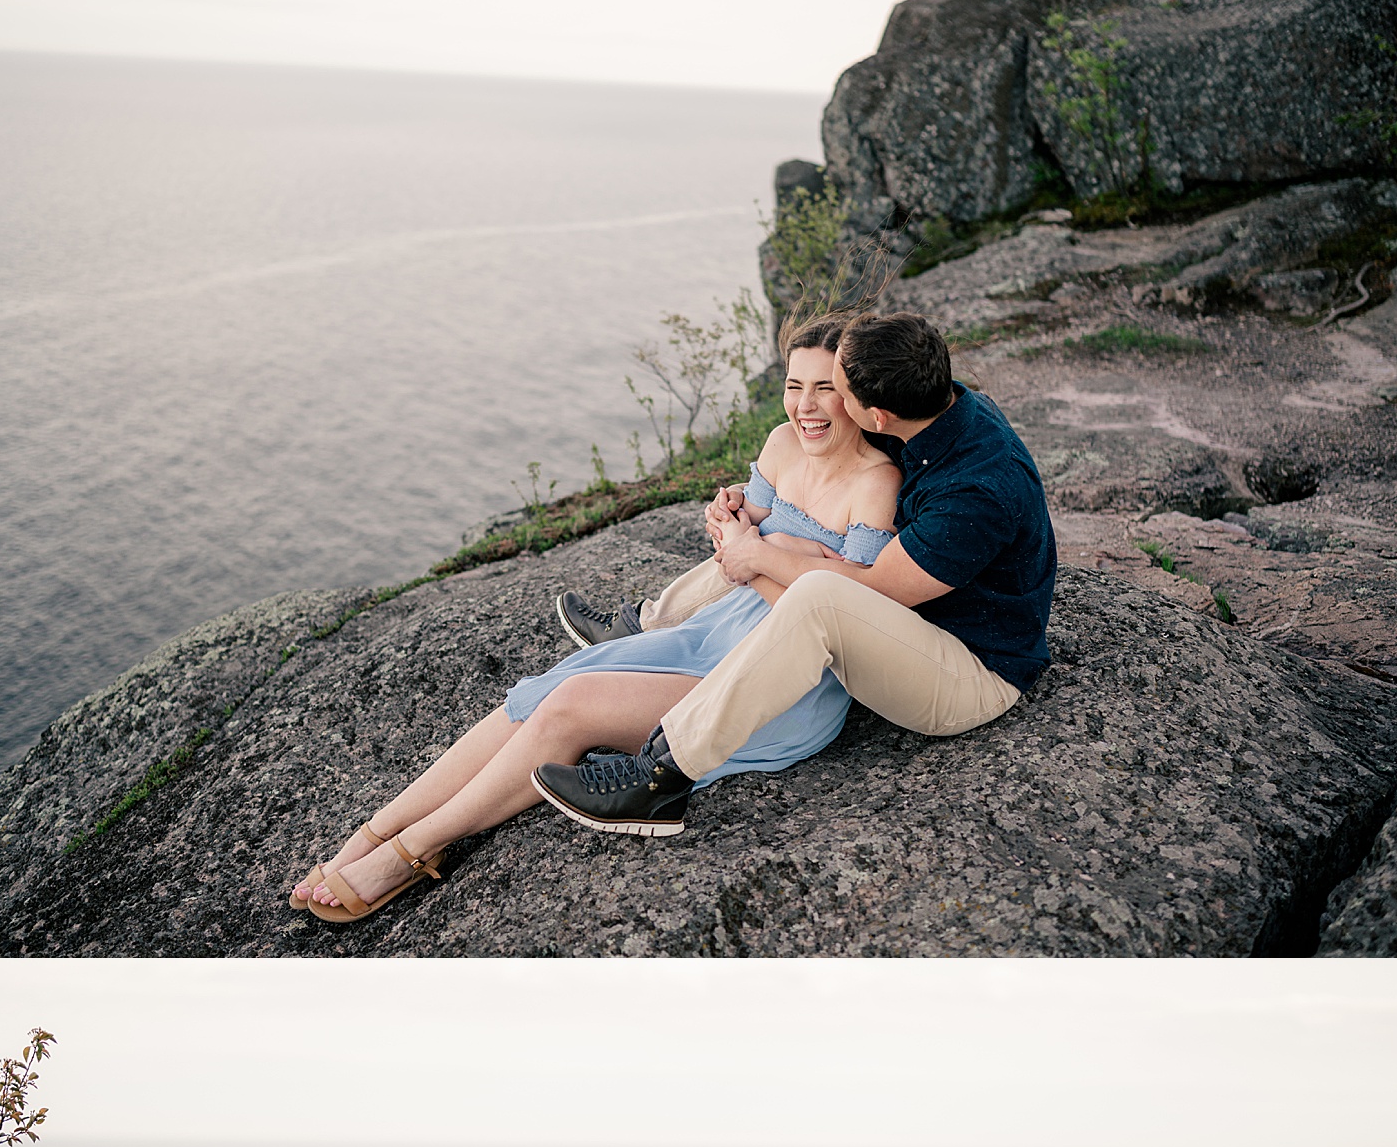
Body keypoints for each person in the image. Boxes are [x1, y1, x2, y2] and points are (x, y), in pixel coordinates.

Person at [288, 316, 898, 919]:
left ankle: (413, 850)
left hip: (778, 674)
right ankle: (376, 831)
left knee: (573, 705)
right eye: (795, 386)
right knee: (544, 690)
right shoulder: (781, 443)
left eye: (826, 389)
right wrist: (754, 536)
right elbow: (738, 538)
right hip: (714, 630)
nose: (806, 406)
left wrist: (760, 555)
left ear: (857, 395)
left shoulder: (876, 481)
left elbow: (835, 611)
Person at [530, 308, 1056, 835]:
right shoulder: (936, 402)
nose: (825, 405)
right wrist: (755, 511)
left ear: (877, 416)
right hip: (921, 627)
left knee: (818, 594)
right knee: (795, 555)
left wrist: (757, 556)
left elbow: (870, 590)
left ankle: (660, 778)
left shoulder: (974, 492)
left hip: (970, 674)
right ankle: (650, 626)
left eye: (839, 392)